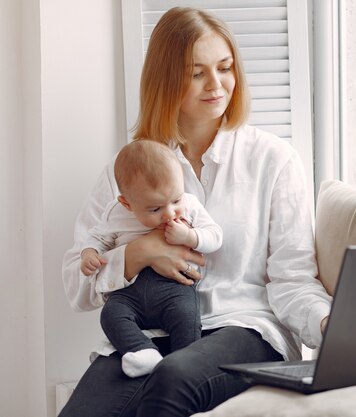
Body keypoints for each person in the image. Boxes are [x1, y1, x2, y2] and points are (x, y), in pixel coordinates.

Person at [60, 6, 332, 417]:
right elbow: (75, 286)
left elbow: (292, 280)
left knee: (176, 376)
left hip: (245, 328)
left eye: (225, 68)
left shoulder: (274, 160)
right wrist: (140, 253)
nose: (217, 85)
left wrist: (329, 324)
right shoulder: (129, 170)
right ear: (166, 81)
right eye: (196, 73)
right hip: (147, 332)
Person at [80, 140, 223, 378]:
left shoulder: (189, 205)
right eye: (155, 209)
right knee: (111, 315)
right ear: (127, 203)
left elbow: (215, 237)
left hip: (174, 289)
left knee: (187, 315)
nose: (169, 213)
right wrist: (89, 254)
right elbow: (95, 238)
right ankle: (142, 352)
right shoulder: (115, 215)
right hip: (129, 293)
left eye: (175, 200)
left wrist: (190, 235)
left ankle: (183, 363)